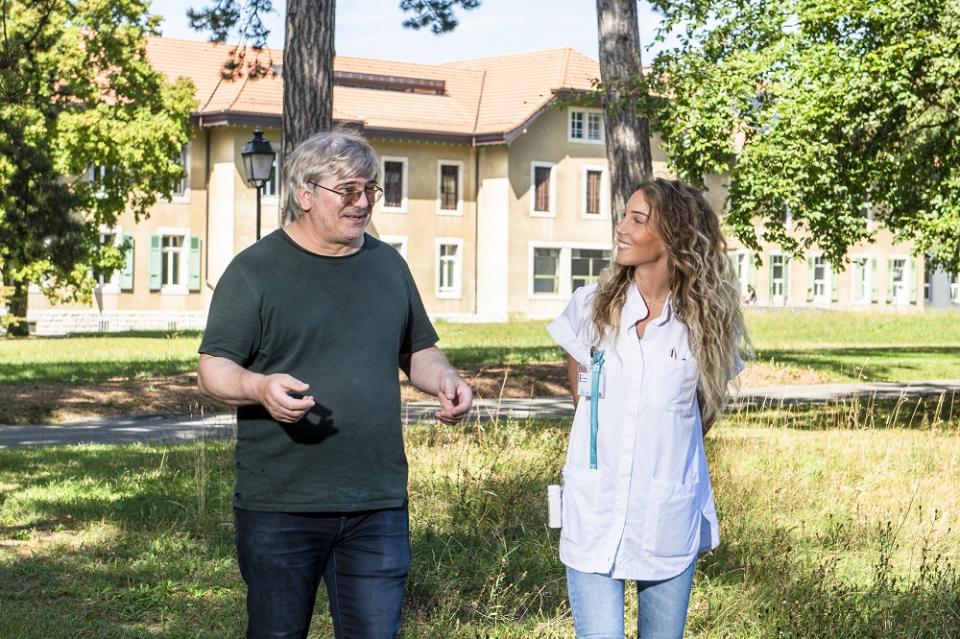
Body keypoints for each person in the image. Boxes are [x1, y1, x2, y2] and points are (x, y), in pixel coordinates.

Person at [197, 129, 473, 639]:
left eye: (370, 189)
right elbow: (213, 368)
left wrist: (446, 379)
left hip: (377, 502)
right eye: (348, 190)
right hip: (281, 504)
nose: (363, 201)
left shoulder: (387, 264)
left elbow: (417, 351)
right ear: (304, 193)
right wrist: (259, 388)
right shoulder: (255, 271)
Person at [547, 178, 748, 639]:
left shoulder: (707, 324)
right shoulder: (590, 308)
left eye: (637, 220)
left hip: (666, 516)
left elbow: (700, 415)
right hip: (593, 510)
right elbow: (583, 398)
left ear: (673, 236)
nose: (621, 227)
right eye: (624, 216)